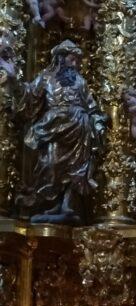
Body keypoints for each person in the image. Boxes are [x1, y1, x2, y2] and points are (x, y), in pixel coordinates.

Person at [2, 39, 106, 224]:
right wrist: (13, 79)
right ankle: (49, 206)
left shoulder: (80, 82)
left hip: (79, 130)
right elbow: (30, 98)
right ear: (60, 59)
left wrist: (97, 123)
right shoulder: (46, 78)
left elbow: (91, 107)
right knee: (50, 165)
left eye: (77, 61)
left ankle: (68, 206)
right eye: (71, 60)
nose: (75, 65)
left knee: (76, 171)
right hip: (54, 128)